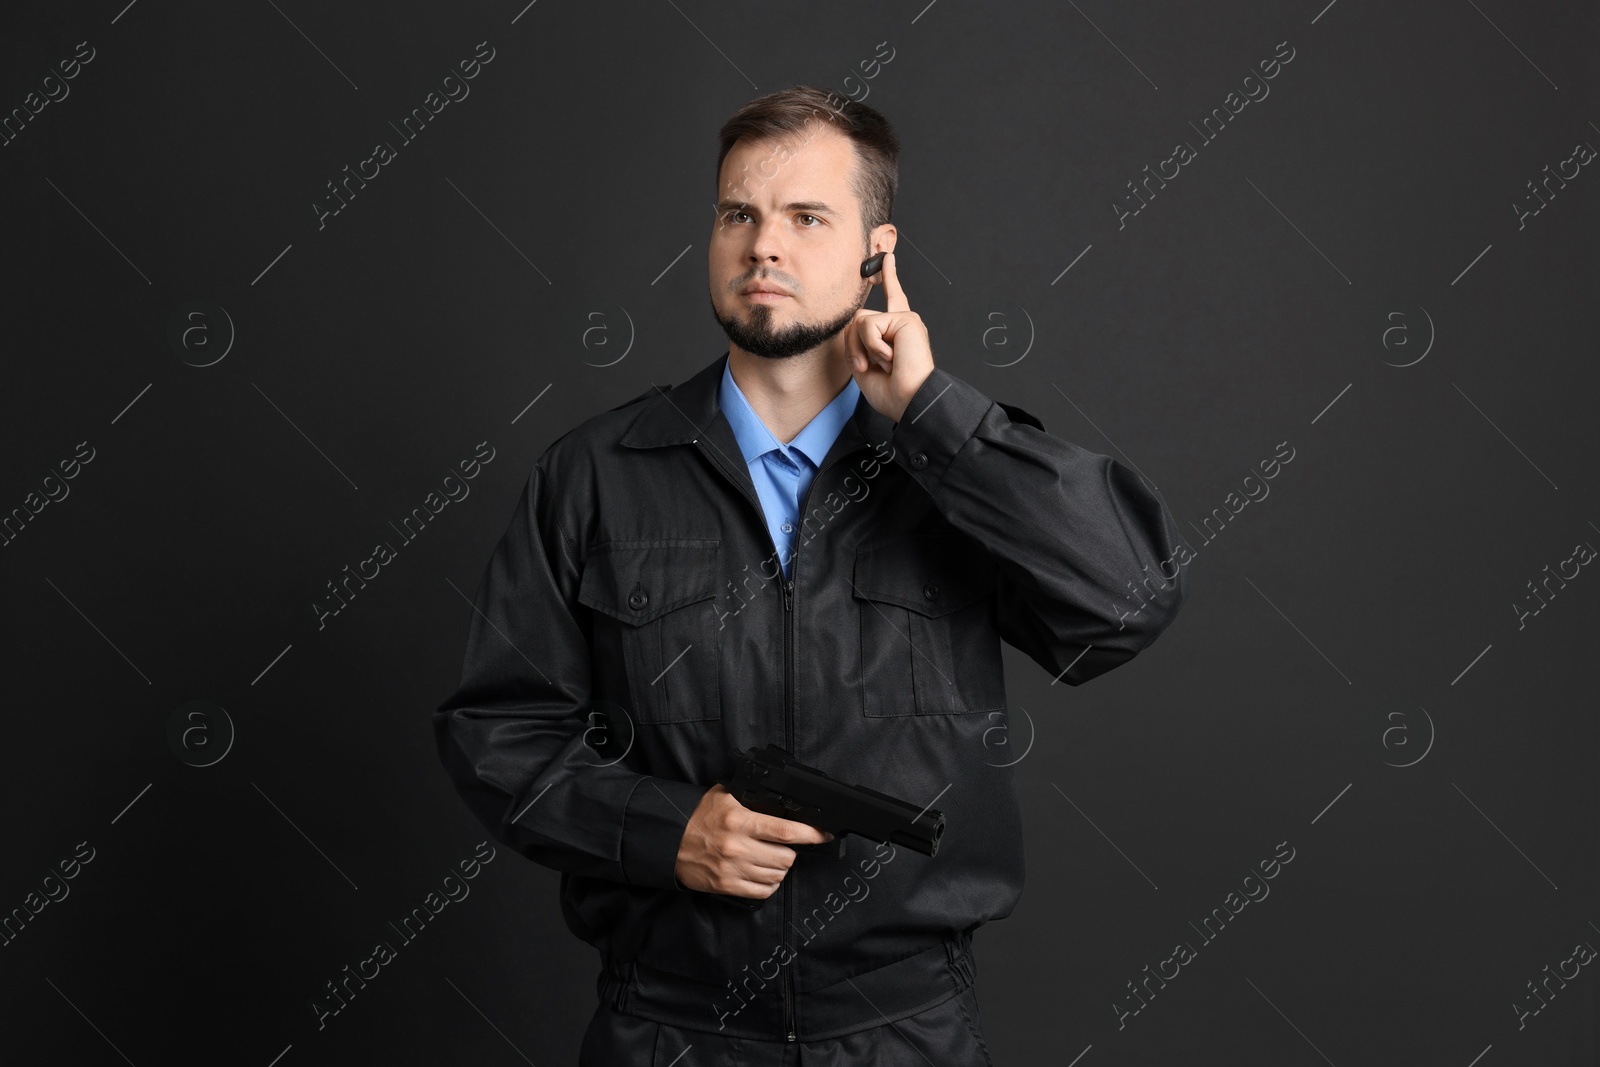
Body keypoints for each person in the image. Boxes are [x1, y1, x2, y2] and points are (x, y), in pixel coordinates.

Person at [433, 84, 1189, 1065]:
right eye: (737, 214)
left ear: (878, 251)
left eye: (805, 217)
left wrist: (934, 415)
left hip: (902, 1031)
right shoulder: (595, 474)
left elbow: (1129, 600)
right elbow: (493, 730)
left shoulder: (951, 467)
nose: (762, 246)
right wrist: (662, 829)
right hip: (668, 1026)